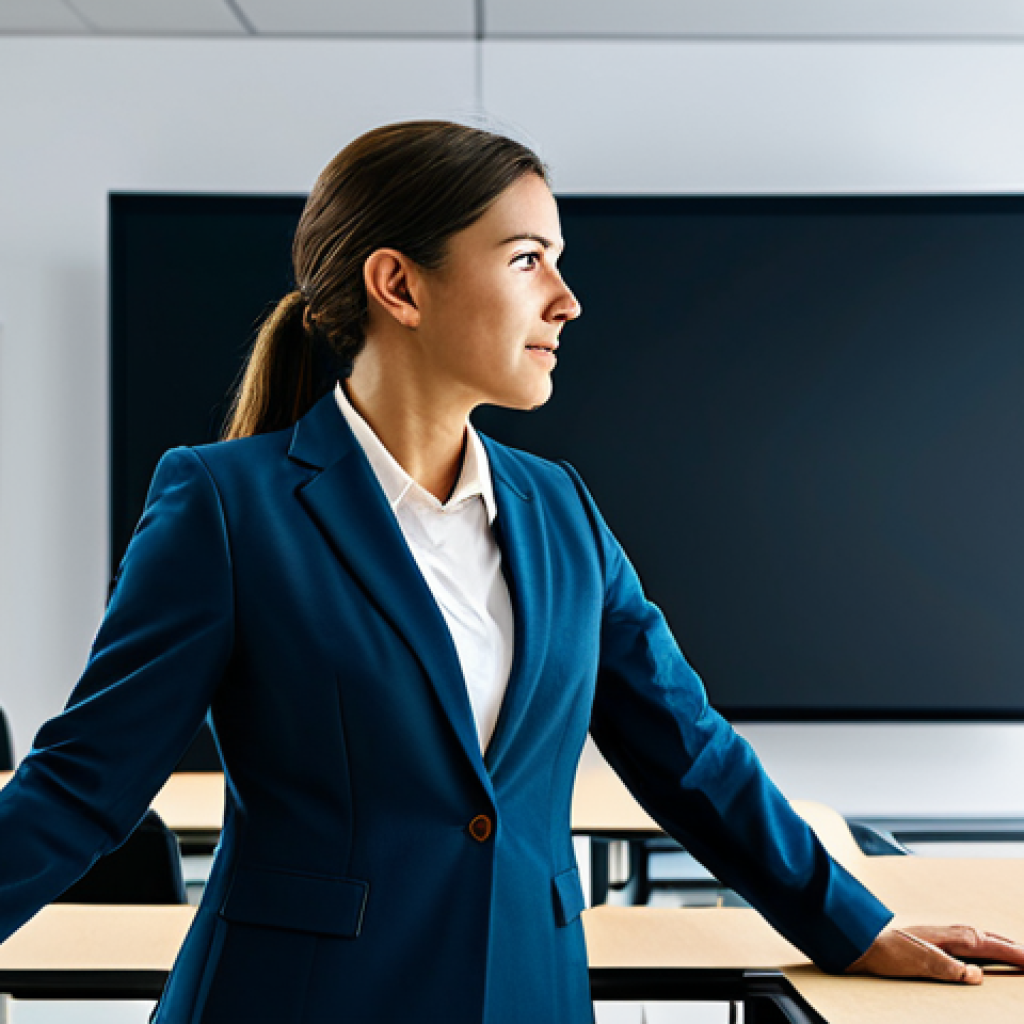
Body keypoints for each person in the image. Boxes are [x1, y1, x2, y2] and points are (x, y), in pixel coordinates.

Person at [1, 120, 1022, 1023]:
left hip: (528, 989)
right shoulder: (227, 505)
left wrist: (852, 924)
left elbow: (689, 753)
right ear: (400, 285)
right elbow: (83, 785)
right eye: (528, 260)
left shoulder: (559, 508)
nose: (567, 301)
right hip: (302, 997)